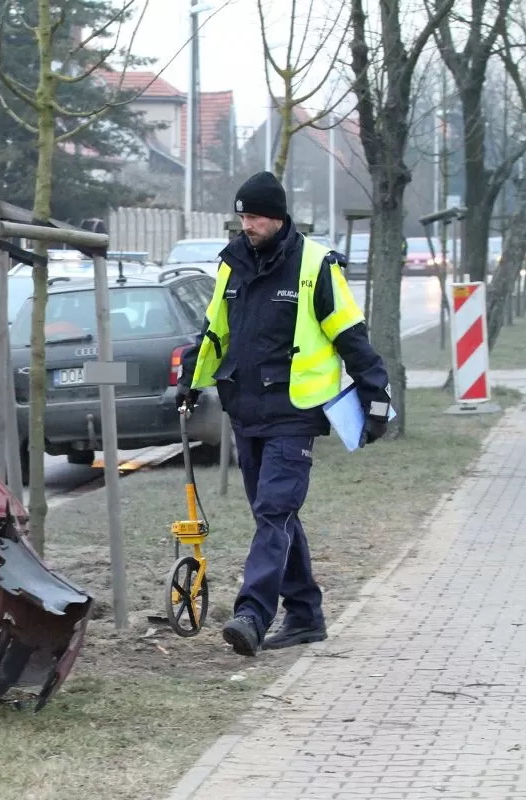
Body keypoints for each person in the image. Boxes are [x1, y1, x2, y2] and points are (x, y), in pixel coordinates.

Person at [175, 171, 391, 657]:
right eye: (242, 217)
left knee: (274, 510)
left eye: (253, 217)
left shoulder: (315, 266)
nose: (246, 225)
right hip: (246, 408)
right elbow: (213, 332)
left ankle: (252, 613)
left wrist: (377, 397)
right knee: (276, 514)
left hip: (296, 412)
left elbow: (351, 337)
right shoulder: (232, 265)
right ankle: (306, 613)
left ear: (276, 217)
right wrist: (190, 380)